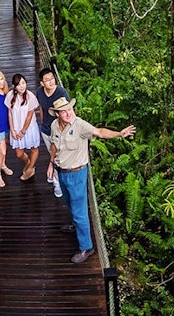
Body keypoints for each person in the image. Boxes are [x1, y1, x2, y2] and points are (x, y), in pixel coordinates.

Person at [46, 97, 136, 264]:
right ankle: (75, 225)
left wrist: (119, 134)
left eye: (70, 109)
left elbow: (99, 132)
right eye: (64, 111)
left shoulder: (79, 125)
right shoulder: (54, 126)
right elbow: (54, 145)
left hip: (77, 174)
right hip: (62, 172)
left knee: (80, 211)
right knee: (68, 202)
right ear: (57, 113)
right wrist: (51, 163)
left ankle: (86, 247)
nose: (68, 113)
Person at [35, 67, 68, 199]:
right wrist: (42, 123)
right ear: (42, 83)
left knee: (56, 157)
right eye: (47, 80)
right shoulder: (39, 92)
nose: (51, 82)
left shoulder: (61, 92)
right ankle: (54, 176)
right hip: (46, 130)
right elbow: (41, 108)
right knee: (52, 155)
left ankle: (56, 182)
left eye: (52, 78)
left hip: (59, 131)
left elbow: (68, 111)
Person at [5, 73, 41, 181]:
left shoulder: (30, 96)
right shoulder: (10, 96)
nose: (22, 86)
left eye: (23, 83)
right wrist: (12, 130)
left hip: (28, 128)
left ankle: (30, 169)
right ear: (14, 86)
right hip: (16, 127)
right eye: (19, 84)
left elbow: (29, 116)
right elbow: (10, 113)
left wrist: (23, 131)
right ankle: (29, 162)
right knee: (19, 153)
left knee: (34, 148)